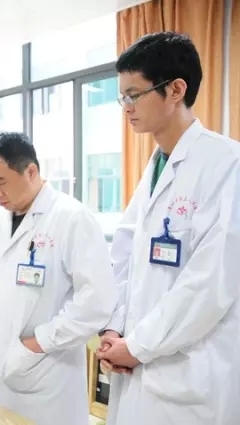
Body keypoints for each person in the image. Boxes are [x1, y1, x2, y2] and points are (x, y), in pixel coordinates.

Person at [96, 31, 240, 425]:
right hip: (138, 361)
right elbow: (125, 256)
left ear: (176, 89)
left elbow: (210, 282)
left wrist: (137, 346)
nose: (126, 107)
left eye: (134, 95)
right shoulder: (157, 165)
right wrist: (114, 328)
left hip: (189, 373)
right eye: (122, 97)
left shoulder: (227, 164)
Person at [0, 131, 117, 425]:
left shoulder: (71, 217)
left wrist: (38, 343)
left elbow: (97, 301)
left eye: (1, 182)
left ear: (31, 171)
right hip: (3, 362)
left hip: (47, 369)